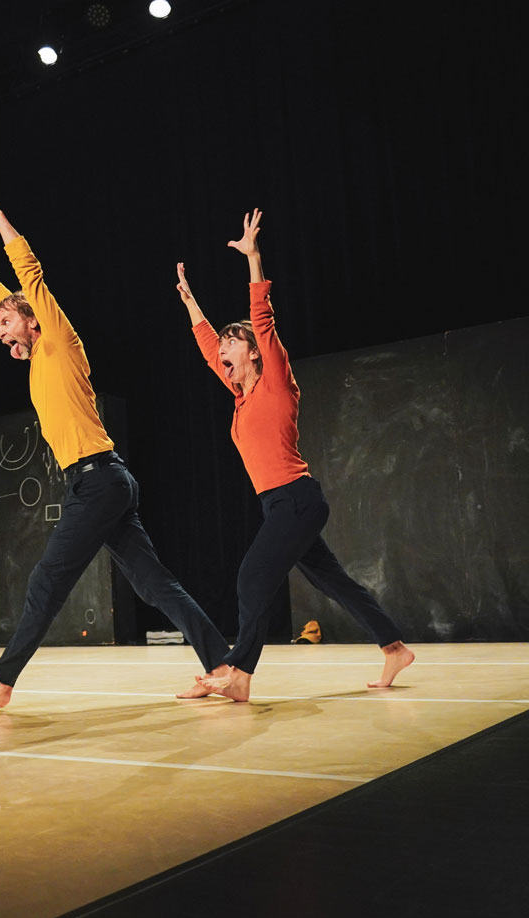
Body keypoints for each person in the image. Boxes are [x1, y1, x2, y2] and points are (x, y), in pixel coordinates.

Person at [0, 174, 233, 707]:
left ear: (32, 319)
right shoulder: (39, 355)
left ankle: (2, 681)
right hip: (104, 481)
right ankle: (223, 666)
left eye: (5, 322)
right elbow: (6, 298)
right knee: (154, 585)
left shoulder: (58, 337)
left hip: (96, 481)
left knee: (47, 580)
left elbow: (27, 275)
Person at [175, 209, 414, 702]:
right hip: (280, 505)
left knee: (252, 576)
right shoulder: (240, 395)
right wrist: (191, 303)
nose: (224, 348)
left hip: (296, 499)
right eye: (225, 343)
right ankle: (394, 647)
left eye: (233, 342)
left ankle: (240, 674)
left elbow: (262, 318)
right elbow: (207, 348)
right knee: (335, 582)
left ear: (254, 353)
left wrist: (253, 258)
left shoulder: (277, 383)